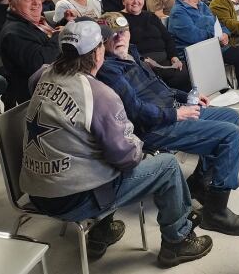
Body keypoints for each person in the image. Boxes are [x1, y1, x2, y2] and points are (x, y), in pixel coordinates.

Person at [20, 19, 213, 267]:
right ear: (98, 52)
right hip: (74, 199)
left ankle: (102, 231)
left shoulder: (43, 74)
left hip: (36, 191)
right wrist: (133, 139)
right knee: (166, 166)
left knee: (94, 149)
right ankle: (177, 241)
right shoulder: (99, 95)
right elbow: (127, 159)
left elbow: (34, 82)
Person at [95, 13, 239, 236]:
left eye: (124, 31)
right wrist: (176, 114)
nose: (120, 37)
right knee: (230, 135)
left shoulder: (132, 54)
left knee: (230, 117)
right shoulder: (109, 69)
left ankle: (199, 182)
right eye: (113, 35)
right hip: (153, 127)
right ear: (103, 41)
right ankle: (215, 212)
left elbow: (160, 87)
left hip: (170, 112)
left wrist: (188, 96)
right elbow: (137, 112)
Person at [168, 0, 239, 89]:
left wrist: (225, 33)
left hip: (213, 46)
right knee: (217, 72)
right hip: (195, 51)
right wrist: (216, 36)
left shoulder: (202, 5)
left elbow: (218, 23)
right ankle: (224, 91)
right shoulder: (178, 12)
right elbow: (193, 36)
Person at [0, 0, 60, 106]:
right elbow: (41, 64)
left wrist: (65, 23)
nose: (36, 2)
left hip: (55, 86)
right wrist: (60, 35)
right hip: (36, 100)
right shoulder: (13, 33)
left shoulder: (36, 21)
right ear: (13, 6)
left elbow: (45, 40)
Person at [120, 0, 191, 91]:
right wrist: (141, 60)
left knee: (189, 71)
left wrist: (174, 57)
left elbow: (168, 38)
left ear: (144, 0)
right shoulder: (119, 19)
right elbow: (122, 46)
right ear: (123, 1)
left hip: (165, 61)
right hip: (142, 64)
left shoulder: (151, 16)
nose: (136, 2)